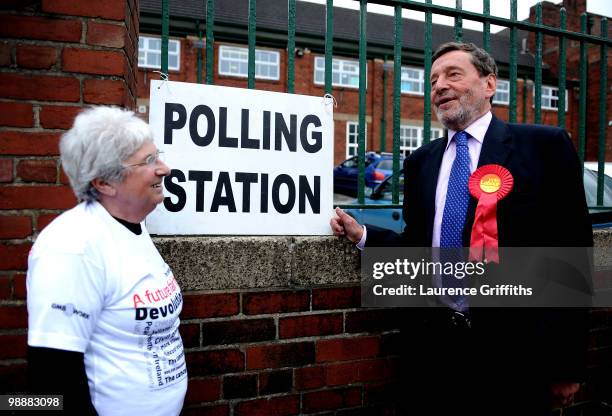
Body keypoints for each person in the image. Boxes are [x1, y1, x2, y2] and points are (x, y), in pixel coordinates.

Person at [331, 42, 593, 415]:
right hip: (436, 347)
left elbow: (572, 254)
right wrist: (364, 236)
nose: (439, 85)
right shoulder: (422, 161)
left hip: (519, 352)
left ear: (489, 84)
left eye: (453, 74)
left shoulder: (544, 146)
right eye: (433, 79)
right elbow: (418, 246)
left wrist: (566, 364)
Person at [27, 106, 187, 415]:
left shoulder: (133, 224)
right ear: (104, 183)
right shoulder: (72, 248)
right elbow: (50, 379)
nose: (165, 169)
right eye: (149, 161)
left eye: (159, 155)